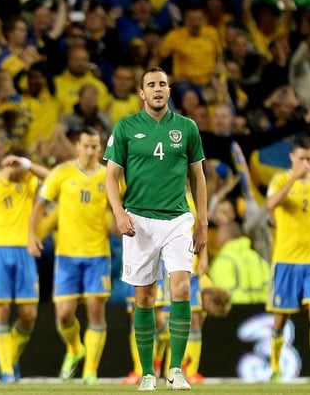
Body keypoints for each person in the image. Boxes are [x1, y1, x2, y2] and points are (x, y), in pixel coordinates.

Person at [104, 67, 207, 391]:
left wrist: (202, 222)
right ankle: (148, 372)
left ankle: (176, 370)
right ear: (142, 93)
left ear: (169, 90)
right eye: (151, 84)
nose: (158, 88)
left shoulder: (187, 128)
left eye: (163, 84)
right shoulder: (126, 127)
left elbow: (198, 176)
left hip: (178, 218)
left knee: (181, 288)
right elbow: (110, 177)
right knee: (145, 298)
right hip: (139, 220)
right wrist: (119, 213)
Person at [28, 127, 111, 384]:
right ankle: (75, 349)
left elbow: (122, 204)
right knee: (64, 314)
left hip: (98, 254)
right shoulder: (62, 173)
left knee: (96, 310)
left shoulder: (108, 176)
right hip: (66, 255)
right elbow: (40, 205)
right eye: (86, 146)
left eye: (95, 147)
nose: (90, 151)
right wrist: (31, 235)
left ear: (100, 148)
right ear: (77, 146)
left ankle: (90, 371)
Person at [0, 147, 49, 383]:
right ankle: (7, 371)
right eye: (19, 167)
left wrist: (27, 164)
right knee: (0, 310)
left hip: (25, 251)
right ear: (8, 164)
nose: (24, 172)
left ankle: (9, 356)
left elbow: (53, 178)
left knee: (28, 315)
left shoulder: (29, 181)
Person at [265, 135, 310, 384]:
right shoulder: (280, 179)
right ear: (292, 157)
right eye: (301, 159)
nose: (306, 163)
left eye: (309, 159)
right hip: (286, 258)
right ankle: (275, 368)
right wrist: (294, 178)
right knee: (281, 318)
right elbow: (271, 204)